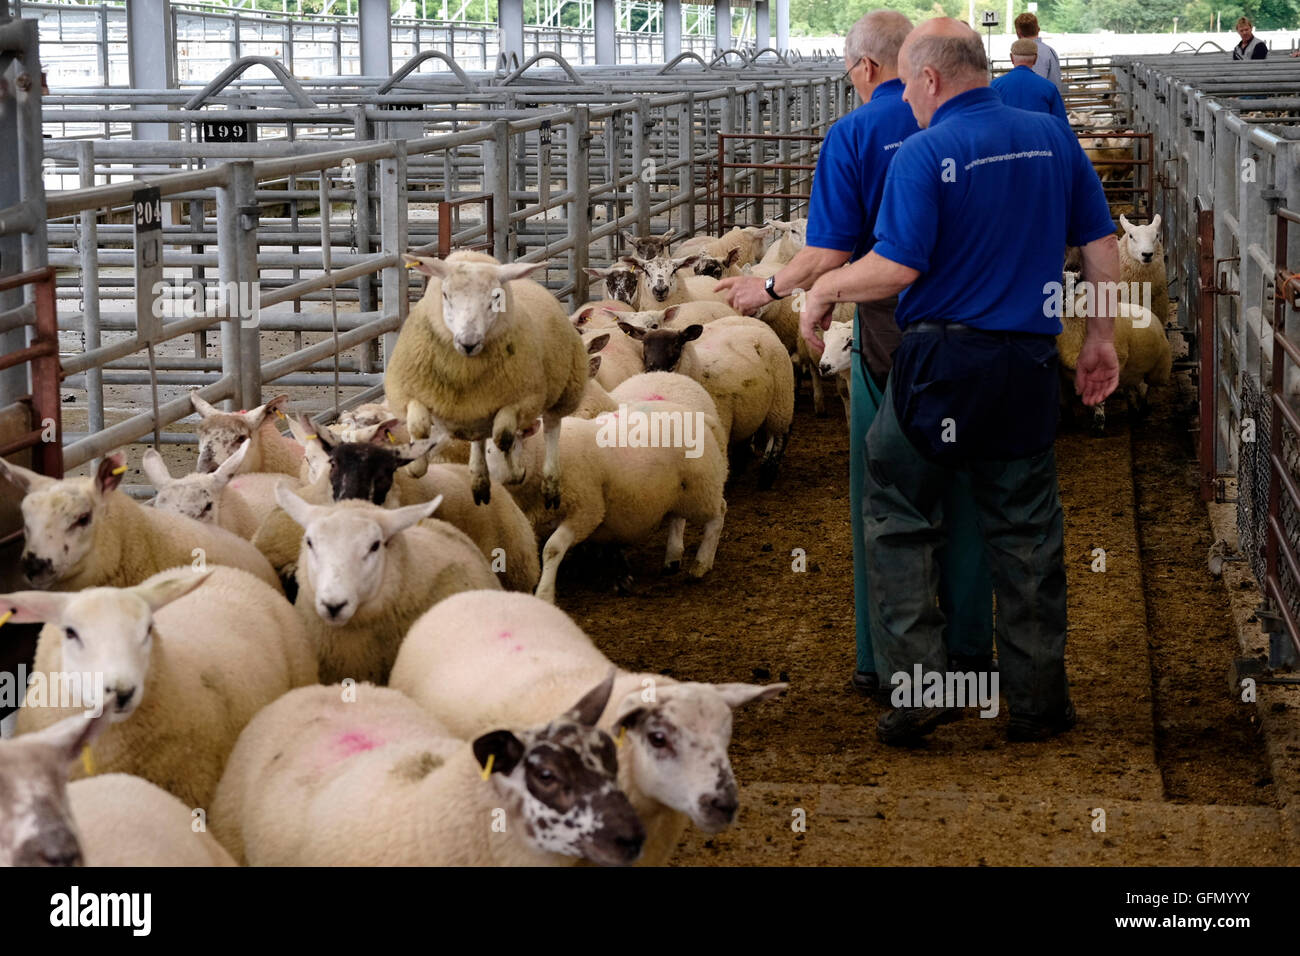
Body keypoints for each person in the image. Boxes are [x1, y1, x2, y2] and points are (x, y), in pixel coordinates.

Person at [800, 17, 1121, 746]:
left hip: (941, 366)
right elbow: (1101, 245)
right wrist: (1100, 339)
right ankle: (1039, 703)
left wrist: (826, 291)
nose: (903, 99)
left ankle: (920, 689)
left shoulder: (926, 151)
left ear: (931, 79)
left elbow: (897, 268)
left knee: (899, 513)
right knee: (1028, 529)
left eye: (907, 84)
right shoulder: (1051, 138)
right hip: (1026, 366)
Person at [717, 10, 993, 703]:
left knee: (885, 499)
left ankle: (884, 662)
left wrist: (774, 286)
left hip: (889, 341)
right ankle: (969, 658)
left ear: (869, 69)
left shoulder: (857, 133)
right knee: (968, 495)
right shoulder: (992, 120)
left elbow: (830, 251)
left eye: (849, 71)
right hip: (987, 344)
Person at [992, 38, 1068, 121]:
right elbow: (1061, 124)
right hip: (1038, 133)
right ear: (1035, 59)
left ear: (1011, 58)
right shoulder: (1049, 88)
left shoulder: (994, 86)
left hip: (1005, 133)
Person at [1014, 12, 1062, 90]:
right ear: (1038, 29)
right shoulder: (1049, 51)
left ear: (1018, 33)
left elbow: (1032, 86)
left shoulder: (1024, 52)